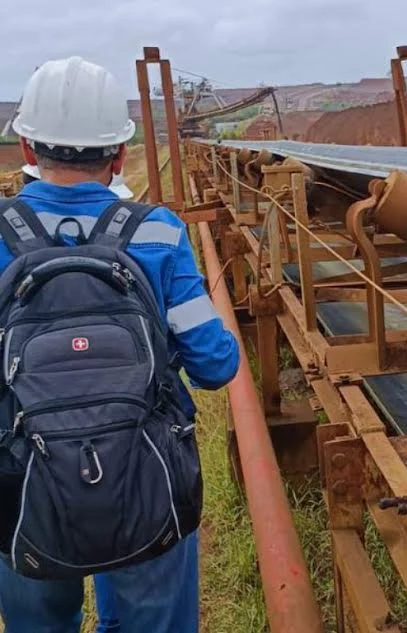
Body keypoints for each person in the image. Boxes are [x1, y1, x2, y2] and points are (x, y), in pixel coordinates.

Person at [0, 56, 239, 633]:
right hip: (145, 481)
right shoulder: (158, 233)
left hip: (20, 482)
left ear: (28, 150)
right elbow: (214, 363)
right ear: (120, 155)